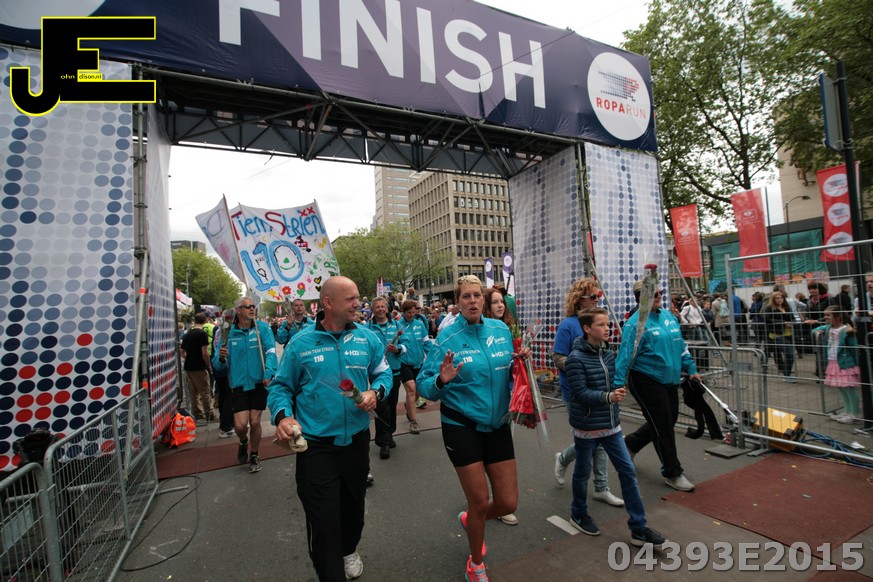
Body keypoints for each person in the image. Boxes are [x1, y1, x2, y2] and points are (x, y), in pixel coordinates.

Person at [269, 276, 393, 582]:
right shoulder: (300, 344)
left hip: (357, 442)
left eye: (357, 298)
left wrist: (375, 392)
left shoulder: (367, 338)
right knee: (323, 521)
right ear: (328, 303)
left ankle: (349, 549)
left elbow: (384, 373)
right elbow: (281, 387)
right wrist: (283, 417)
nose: (358, 304)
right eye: (350, 299)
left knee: (353, 509)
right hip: (316, 447)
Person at [418, 275, 526, 582]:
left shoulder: (501, 330)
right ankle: (476, 563)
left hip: (498, 425)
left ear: (484, 298)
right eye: (466, 296)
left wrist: (520, 362)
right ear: (458, 302)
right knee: (480, 502)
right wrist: (441, 380)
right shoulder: (447, 338)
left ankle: (471, 520)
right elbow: (425, 385)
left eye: (477, 295)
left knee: (507, 502)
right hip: (461, 425)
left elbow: (508, 369)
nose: (473, 301)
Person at [564, 308, 667, 547]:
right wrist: (608, 397)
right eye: (601, 324)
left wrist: (619, 387)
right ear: (587, 329)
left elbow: (615, 382)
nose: (607, 328)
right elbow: (579, 394)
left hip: (611, 426)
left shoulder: (609, 355)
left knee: (627, 472)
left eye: (607, 324)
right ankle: (578, 513)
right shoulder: (575, 359)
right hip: (587, 426)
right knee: (582, 473)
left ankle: (638, 528)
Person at [615, 279, 701, 492]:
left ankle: (631, 443)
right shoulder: (635, 324)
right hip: (645, 380)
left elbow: (681, 346)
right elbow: (624, 356)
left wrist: (691, 368)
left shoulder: (668, 317)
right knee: (662, 426)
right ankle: (672, 472)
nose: (660, 296)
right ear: (642, 297)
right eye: (654, 294)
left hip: (669, 380)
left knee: (668, 420)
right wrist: (617, 385)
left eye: (660, 293)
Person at [551, 278, 623, 508]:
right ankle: (565, 459)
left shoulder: (599, 323)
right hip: (575, 392)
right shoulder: (568, 325)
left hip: (600, 391)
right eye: (592, 297)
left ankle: (601, 487)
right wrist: (579, 368)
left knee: (598, 439)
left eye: (598, 296)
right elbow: (557, 356)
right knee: (590, 441)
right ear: (579, 299)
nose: (596, 300)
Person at [213, 297, 277, 473]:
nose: (251, 309)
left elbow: (271, 352)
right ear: (238, 310)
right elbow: (217, 365)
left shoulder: (262, 328)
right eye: (247, 306)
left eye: (253, 306)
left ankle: (254, 454)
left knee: (255, 421)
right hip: (238, 385)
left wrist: (269, 373)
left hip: (259, 383)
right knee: (240, 426)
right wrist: (221, 358)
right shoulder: (228, 332)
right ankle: (243, 441)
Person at [367, 296, 403, 459]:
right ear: (372, 310)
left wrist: (398, 349)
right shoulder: (367, 328)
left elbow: (406, 344)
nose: (380, 309)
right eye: (377, 307)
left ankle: (389, 434)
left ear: (387, 308)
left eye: (383, 306)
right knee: (381, 407)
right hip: (377, 375)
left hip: (394, 372)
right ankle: (384, 442)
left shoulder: (396, 325)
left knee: (392, 405)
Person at [814, 306, 862, 423]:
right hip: (833, 362)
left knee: (849, 389)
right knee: (841, 388)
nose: (825, 317)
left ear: (838, 316)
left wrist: (857, 363)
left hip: (845, 363)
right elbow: (815, 329)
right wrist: (817, 330)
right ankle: (847, 411)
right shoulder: (829, 328)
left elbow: (854, 348)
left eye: (828, 315)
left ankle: (855, 413)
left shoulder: (846, 330)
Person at [397, 299, 431, 433]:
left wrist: (434, 356)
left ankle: (408, 405)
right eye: (409, 313)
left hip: (419, 362)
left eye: (413, 312)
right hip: (404, 363)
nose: (411, 315)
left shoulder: (420, 324)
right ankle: (413, 422)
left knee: (418, 392)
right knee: (411, 389)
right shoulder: (398, 325)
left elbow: (427, 343)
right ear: (403, 312)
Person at [180, 313, 215, 423]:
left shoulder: (187, 334)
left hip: (189, 367)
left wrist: (188, 358)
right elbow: (205, 353)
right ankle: (209, 413)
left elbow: (182, 352)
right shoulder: (202, 334)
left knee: (193, 392)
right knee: (205, 391)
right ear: (205, 321)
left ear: (195, 321)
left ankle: (198, 413)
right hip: (199, 366)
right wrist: (208, 366)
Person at [763, 291, 796, 382]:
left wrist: (792, 323)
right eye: (777, 298)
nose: (779, 300)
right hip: (777, 334)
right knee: (789, 354)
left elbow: (792, 318)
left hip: (789, 333)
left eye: (781, 298)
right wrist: (783, 323)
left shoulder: (787, 307)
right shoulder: (769, 308)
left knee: (789, 354)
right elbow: (767, 319)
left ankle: (786, 373)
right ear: (773, 299)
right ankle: (786, 375)